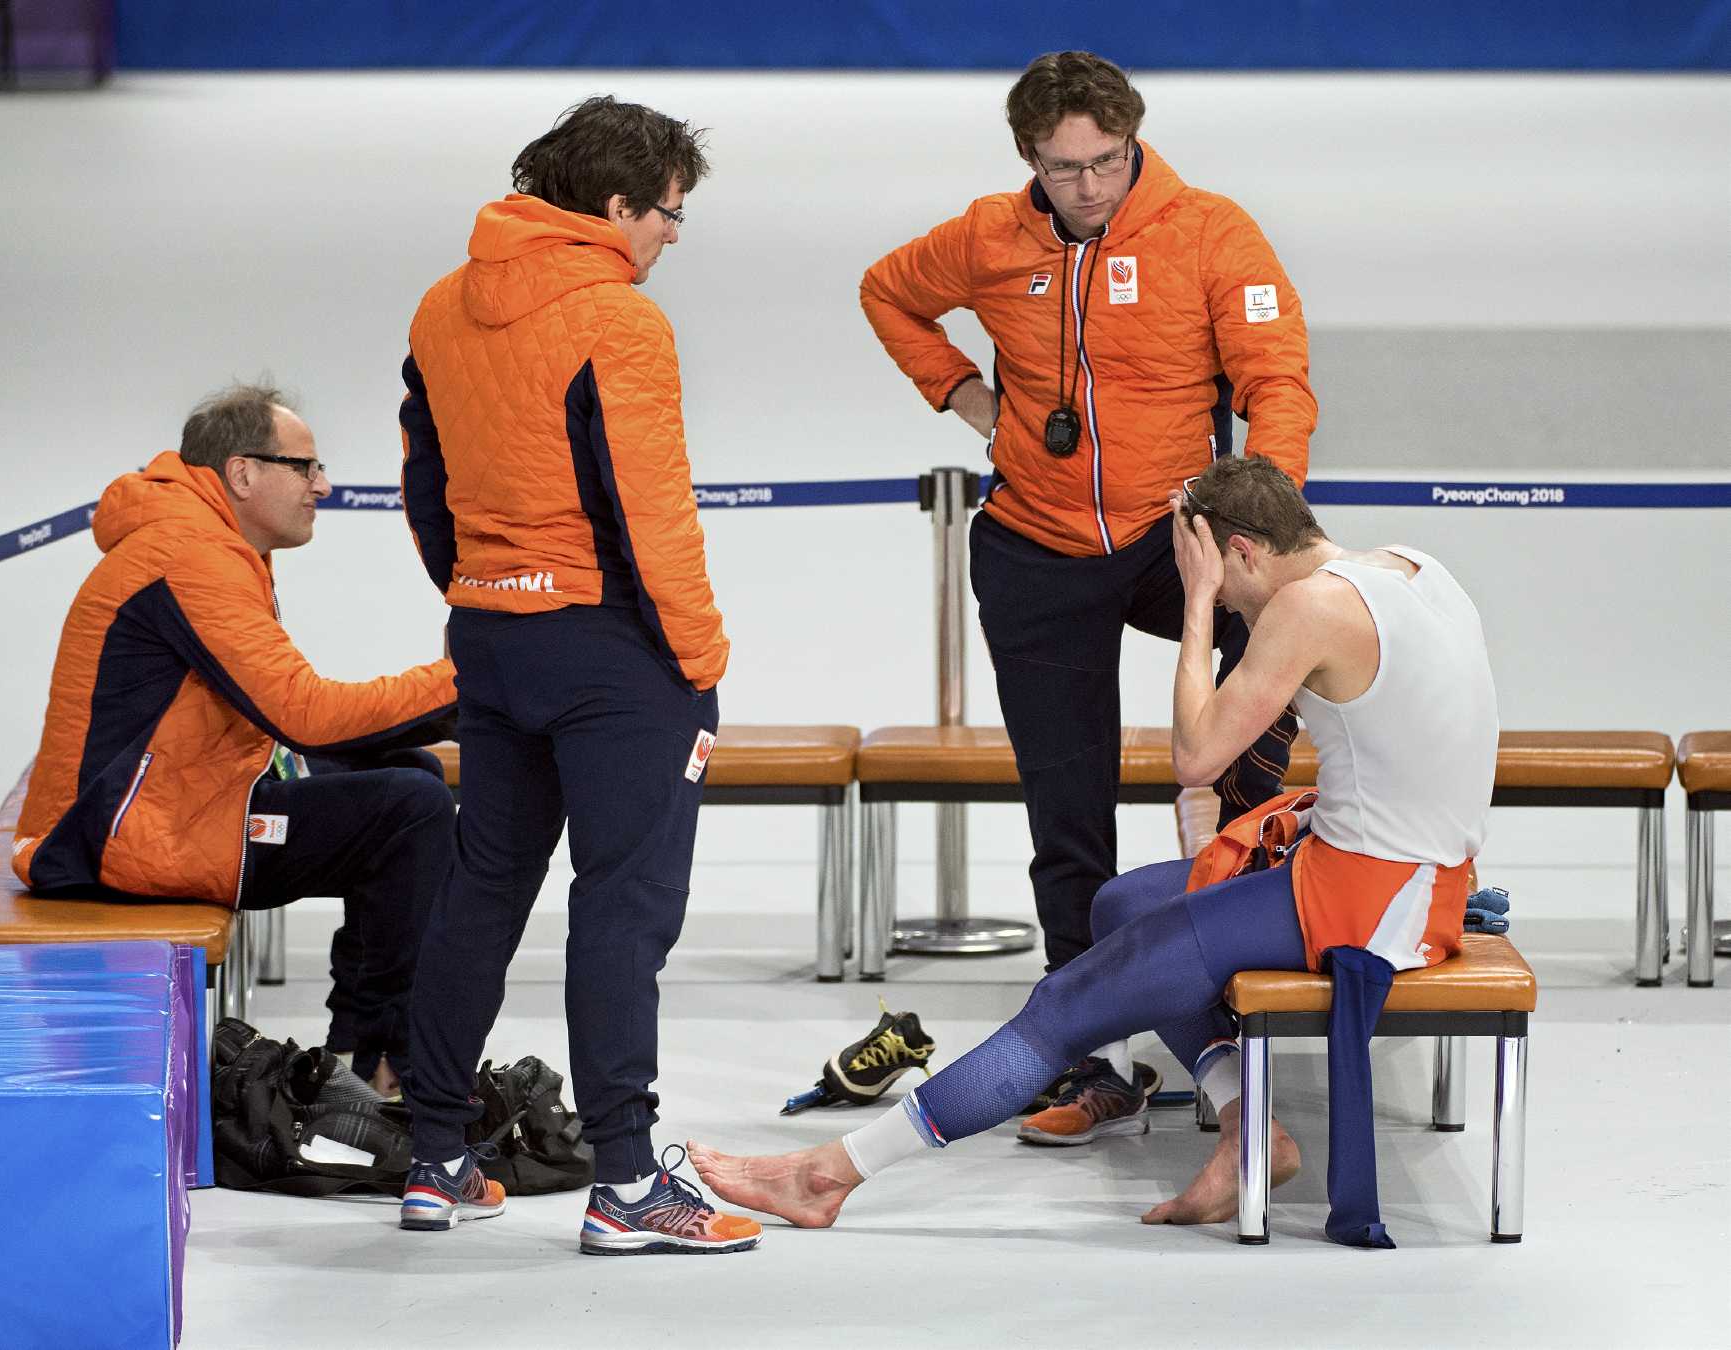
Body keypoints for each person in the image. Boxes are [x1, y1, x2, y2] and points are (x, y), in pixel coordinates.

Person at [687, 456, 1498, 1237]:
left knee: (1064, 1009)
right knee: (1121, 905)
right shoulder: (1411, 566)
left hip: (1366, 900)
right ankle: (1250, 1127)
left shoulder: (1306, 608)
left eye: (1222, 585)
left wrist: (1194, 606)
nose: (1233, 617)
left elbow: (1195, 757)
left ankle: (828, 1174)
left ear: (1240, 553)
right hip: (1426, 881)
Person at [860, 50, 1318, 1139]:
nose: (1088, 187)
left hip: (1178, 536)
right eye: (1063, 169)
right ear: (1029, 159)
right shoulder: (985, 235)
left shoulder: (1209, 231)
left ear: (1132, 142)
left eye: (1105, 162)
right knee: (1064, 815)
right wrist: (962, 394)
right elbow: (886, 292)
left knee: (1266, 704)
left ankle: (1229, 970)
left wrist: (1267, 525)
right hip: (1035, 547)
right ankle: (1094, 1061)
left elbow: (1275, 381)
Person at [394, 95, 759, 1254]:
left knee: (484, 887)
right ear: (613, 205)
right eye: (666, 213)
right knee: (624, 905)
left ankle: (436, 1156)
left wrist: (479, 592)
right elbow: (652, 513)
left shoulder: (440, 306)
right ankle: (625, 1182)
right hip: (612, 652)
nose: (669, 236)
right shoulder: (619, 322)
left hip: (491, 637)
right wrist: (696, 662)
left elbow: (425, 481)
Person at [12, 384, 461, 1095]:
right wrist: (461, 684)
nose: (324, 485)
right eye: (305, 467)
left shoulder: (206, 541)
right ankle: (379, 1066)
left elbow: (283, 714)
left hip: (165, 805)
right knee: (411, 809)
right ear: (243, 473)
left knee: (413, 775)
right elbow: (305, 713)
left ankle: (361, 1052)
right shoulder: (192, 554)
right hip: (119, 841)